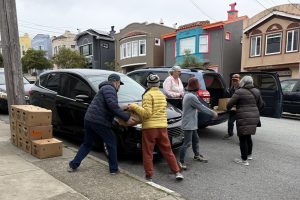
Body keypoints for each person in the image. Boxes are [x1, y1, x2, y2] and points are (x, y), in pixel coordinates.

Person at [68, 73, 135, 174]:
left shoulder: (104, 89)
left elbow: (107, 106)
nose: (119, 86)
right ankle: (113, 169)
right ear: (116, 82)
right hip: (98, 121)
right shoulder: (110, 89)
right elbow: (112, 106)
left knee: (87, 144)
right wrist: (127, 118)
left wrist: (124, 107)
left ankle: (73, 165)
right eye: (119, 84)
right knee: (111, 142)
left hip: (89, 119)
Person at [128, 74, 184, 181]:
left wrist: (134, 106)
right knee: (167, 150)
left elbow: (147, 114)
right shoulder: (161, 95)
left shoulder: (148, 95)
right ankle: (177, 172)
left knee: (148, 152)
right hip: (162, 127)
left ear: (148, 84)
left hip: (150, 128)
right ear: (158, 84)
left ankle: (149, 175)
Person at [178, 77, 218, 170]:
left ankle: (196, 155)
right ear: (195, 86)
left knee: (196, 140)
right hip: (188, 124)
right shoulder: (191, 96)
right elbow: (201, 107)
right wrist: (213, 113)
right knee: (187, 143)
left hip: (191, 123)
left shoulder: (190, 95)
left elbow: (196, 107)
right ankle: (181, 161)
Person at [227, 76, 264, 166]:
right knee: (248, 136)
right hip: (254, 116)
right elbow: (261, 105)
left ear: (243, 82)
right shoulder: (257, 91)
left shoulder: (239, 92)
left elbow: (229, 104)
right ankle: (249, 155)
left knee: (243, 138)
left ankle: (244, 160)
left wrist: (231, 108)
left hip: (243, 116)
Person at [223, 74, 240, 139]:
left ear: (239, 80)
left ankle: (241, 138)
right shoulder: (231, 89)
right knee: (230, 122)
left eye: (236, 80)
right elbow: (228, 98)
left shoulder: (242, 89)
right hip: (232, 109)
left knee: (239, 124)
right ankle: (230, 133)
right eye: (233, 80)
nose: (234, 82)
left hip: (239, 109)